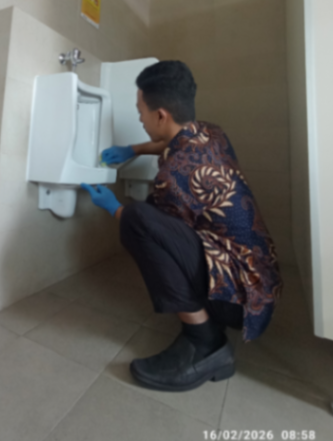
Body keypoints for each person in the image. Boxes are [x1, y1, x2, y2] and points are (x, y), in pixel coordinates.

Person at [81, 60, 282, 392]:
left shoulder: (174, 177)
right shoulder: (211, 132)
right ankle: (208, 324)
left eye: (141, 112)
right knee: (145, 219)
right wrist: (133, 149)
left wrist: (114, 207)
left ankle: (205, 342)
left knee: (136, 219)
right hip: (259, 282)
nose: (140, 119)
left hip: (240, 304)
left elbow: (151, 229)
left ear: (161, 115)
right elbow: (170, 142)